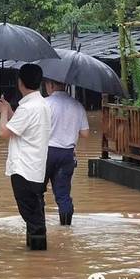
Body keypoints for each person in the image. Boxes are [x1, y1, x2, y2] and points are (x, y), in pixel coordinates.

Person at [0, 64, 51, 251]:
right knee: (36, 212)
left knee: (32, 217)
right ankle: (37, 255)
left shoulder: (28, 108)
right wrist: (9, 110)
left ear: (20, 82)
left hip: (24, 169)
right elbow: (20, 125)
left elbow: (4, 132)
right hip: (36, 168)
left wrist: (3, 113)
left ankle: (37, 259)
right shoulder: (41, 104)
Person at [44, 80, 89, 226]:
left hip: (46, 153)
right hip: (67, 155)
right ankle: (66, 229)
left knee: (38, 192)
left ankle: (38, 227)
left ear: (50, 85)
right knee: (63, 195)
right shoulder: (77, 105)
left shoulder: (44, 104)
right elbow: (85, 133)